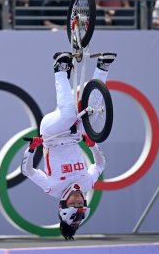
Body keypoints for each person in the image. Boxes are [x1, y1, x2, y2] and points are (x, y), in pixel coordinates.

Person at [21, 51, 116, 240]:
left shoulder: (52, 188)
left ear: (63, 204)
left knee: (69, 114)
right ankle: (102, 67)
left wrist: (32, 148)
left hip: (51, 133)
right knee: (93, 114)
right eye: (82, 203)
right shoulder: (87, 184)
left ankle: (59, 69)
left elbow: (28, 171)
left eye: (74, 203)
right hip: (75, 135)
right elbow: (100, 165)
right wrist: (92, 146)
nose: (79, 199)